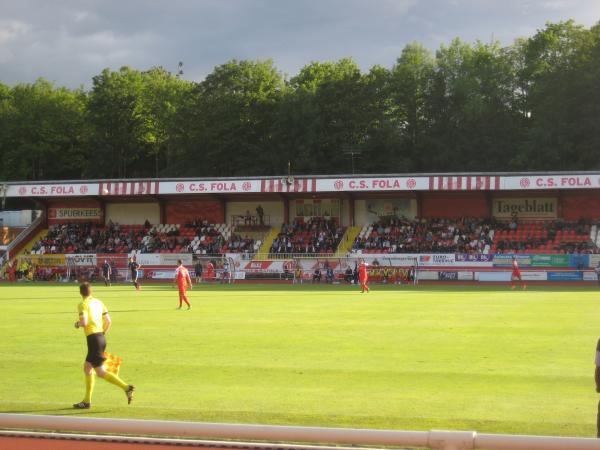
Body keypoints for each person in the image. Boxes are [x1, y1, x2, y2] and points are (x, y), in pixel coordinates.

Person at [73, 282, 134, 409]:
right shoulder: (99, 302)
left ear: (80, 293)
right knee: (88, 368)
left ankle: (126, 388)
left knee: (100, 372)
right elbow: (109, 321)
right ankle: (87, 400)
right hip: (100, 337)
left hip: (93, 338)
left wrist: (77, 324)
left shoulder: (83, 304)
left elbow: (83, 322)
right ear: (91, 291)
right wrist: (102, 333)